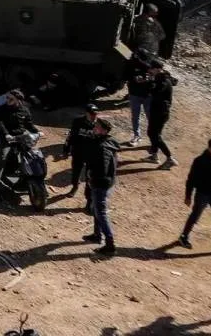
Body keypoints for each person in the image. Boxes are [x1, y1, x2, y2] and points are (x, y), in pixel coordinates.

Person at [179, 138, 211, 254]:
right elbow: (191, 179)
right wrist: (188, 196)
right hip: (203, 193)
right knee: (195, 216)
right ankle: (184, 236)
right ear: (210, 148)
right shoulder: (200, 161)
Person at [83, 116, 120, 256]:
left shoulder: (101, 146)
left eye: (96, 127)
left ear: (103, 130)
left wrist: (92, 176)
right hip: (106, 182)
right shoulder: (109, 142)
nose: (94, 129)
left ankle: (110, 244)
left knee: (100, 212)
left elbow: (102, 167)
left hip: (100, 183)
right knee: (96, 208)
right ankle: (96, 234)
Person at [62, 104, 100, 200]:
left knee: (90, 176)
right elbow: (71, 136)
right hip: (78, 151)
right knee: (75, 172)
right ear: (86, 113)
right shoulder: (78, 122)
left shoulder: (99, 124)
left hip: (91, 153)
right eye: (91, 114)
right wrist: (66, 150)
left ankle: (89, 196)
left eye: (95, 114)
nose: (94, 116)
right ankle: (75, 187)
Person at [146, 59, 177, 168]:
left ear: (158, 69)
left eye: (151, 68)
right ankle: (154, 155)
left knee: (155, 135)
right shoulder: (159, 78)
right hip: (157, 111)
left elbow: (155, 92)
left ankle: (170, 158)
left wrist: (150, 82)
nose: (149, 70)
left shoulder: (163, 80)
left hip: (160, 112)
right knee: (151, 133)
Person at [126, 57, 153, 146]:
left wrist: (147, 79)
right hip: (135, 95)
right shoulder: (130, 66)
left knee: (151, 118)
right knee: (135, 117)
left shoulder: (149, 66)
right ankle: (137, 136)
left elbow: (154, 79)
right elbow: (126, 76)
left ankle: (154, 139)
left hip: (147, 96)